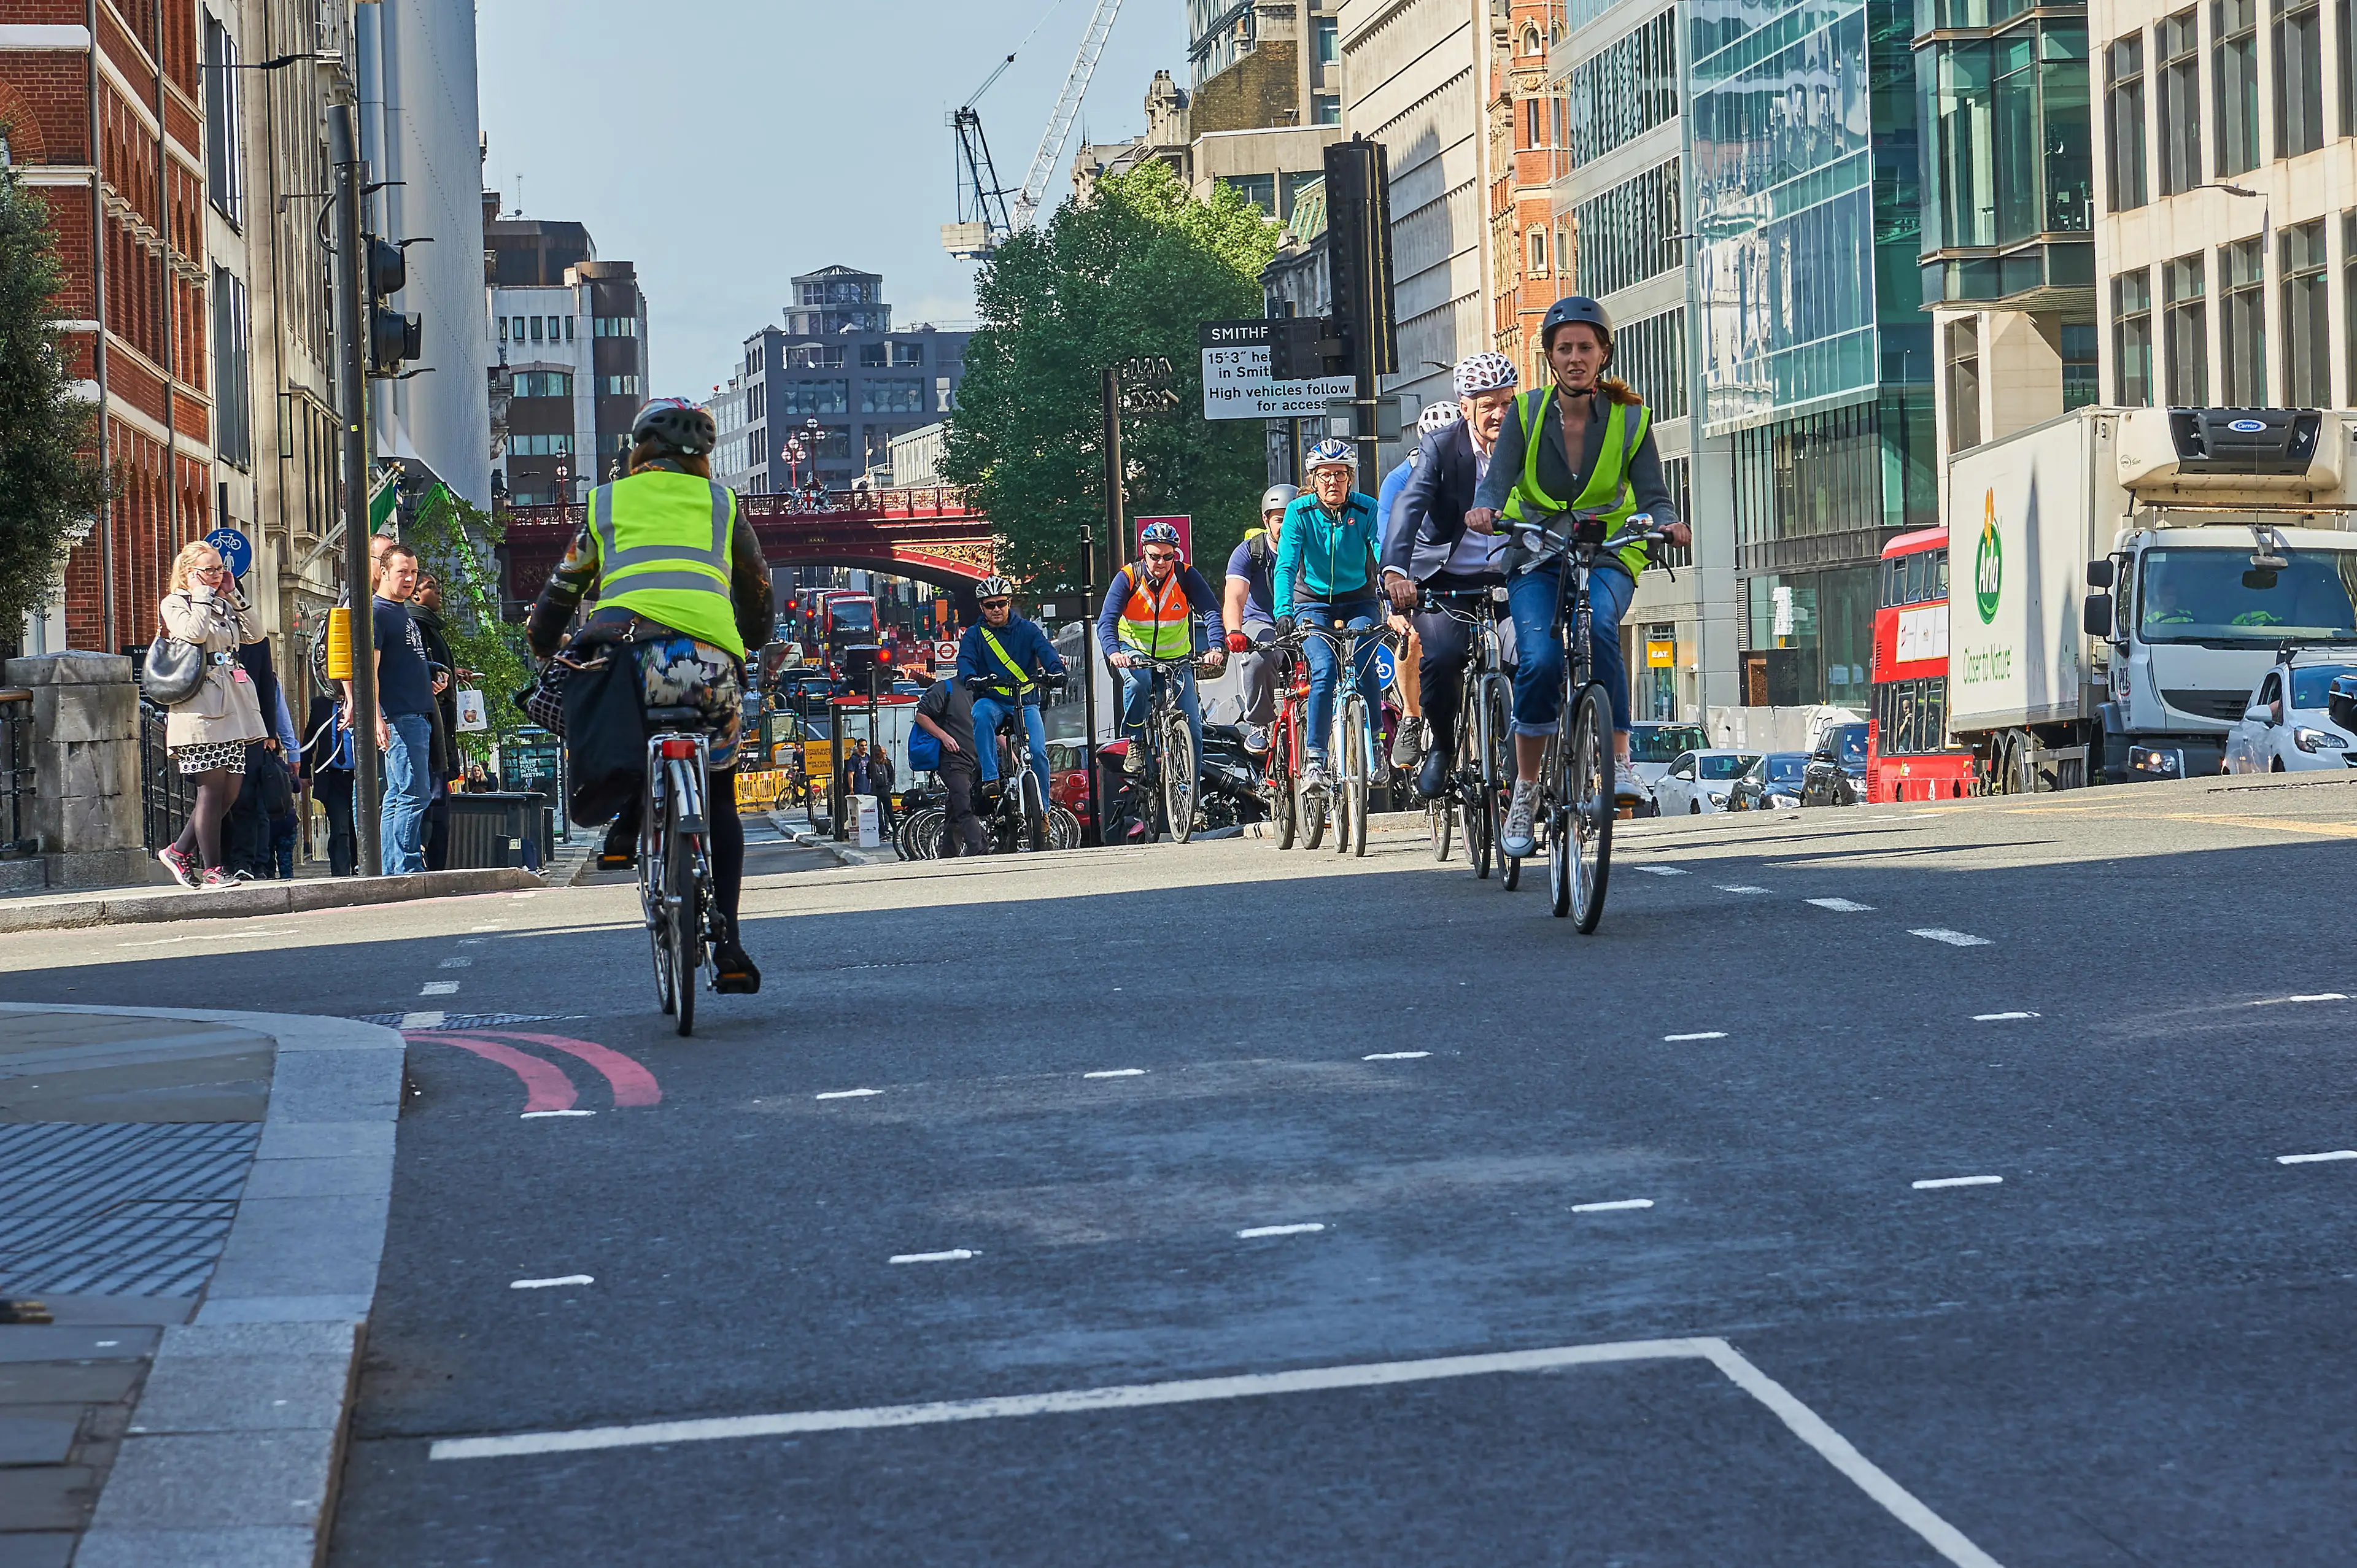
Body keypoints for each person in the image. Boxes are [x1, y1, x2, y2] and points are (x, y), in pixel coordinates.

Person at [527, 396, 777, 993]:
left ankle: (627, 819)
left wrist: (543, 640)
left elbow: (562, 588)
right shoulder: (723, 504)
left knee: (625, 722)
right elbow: (758, 587)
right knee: (722, 796)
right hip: (710, 664)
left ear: (639, 449)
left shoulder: (606, 502)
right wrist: (749, 637)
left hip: (627, 659)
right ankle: (730, 943)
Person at [1466, 296, 1691, 859]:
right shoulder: (1525, 413)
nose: (1574, 357)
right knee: (1540, 659)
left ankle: (1620, 761)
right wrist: (1485, 508)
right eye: (1563, 348)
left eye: (1585, 347)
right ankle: (1525, 789)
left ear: (1603, 354)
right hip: (1537, 553)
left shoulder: (1631, 419)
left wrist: (1668, 524)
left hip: (1607, 552)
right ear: (1549, 356)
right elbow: (1497, 481)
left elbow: (1655, 495)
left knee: (1601, 628)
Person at [1384, 352, 1523, 800]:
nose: (1500, 413)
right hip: (1447, 579)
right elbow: (1409, 505)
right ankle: (1443, 747)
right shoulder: (1442, 447)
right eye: (1488, 405)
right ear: (1465, 408)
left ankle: (1524, 756)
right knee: (1443, 657)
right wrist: (1395, 572)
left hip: (1513, 575)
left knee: (1535, 655)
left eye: (1507, 402)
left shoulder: (1532, 443)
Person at [155, 542, 269, 890]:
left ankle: (178, 851)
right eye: (210, 569)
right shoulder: (175, 603)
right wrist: (202, 595)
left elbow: (256, 635)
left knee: (230, 792)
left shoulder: (222, 602)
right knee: (211, 791)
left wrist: (234, 597)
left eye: (220, 568)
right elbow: (195, 633)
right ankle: (213, 869)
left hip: (233, 705)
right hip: (200, 709)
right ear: (190, 573)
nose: (218, 574)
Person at [1273, 441, 1384, 798]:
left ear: (1350, 477)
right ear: (1314, 479)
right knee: (1323, 669)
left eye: (1340, 474)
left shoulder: (1366, 508)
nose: (1333, 481)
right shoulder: (1299, 512)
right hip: (1313, 603)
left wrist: (1393, 592)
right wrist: (1283, 611)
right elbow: (1286, 566)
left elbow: (1381, 552)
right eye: (1325, 476)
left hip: (1359, 601)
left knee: (1365, 664)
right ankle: (1315, 761)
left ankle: (1376, 743)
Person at [1375, 403, 1463, 773]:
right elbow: (1389, 538)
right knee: (1413, 637)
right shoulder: (1400, 479)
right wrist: (1395, 591)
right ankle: (1412, 717)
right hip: (1416, 568)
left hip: (1465, 566)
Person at [1097, 522, 1225, 779]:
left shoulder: (1186, 576)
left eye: (1168, 557)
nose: (1161, 563)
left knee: (1193, 727)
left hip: (1177, 658)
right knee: (1138, 685)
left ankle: (1190, 792)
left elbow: (1211, 611)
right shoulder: (1128, 577)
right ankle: (1135, 740)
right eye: (1155, 556)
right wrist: (1114, 652)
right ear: (1144, 552)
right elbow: (1107, 621)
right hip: (1135, 651)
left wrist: (1216, 646)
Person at [346, 543, 438, 875]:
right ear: (383, 572)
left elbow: (402, 662)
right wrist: (376, 717)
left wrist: (433, 675)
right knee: (414, 792)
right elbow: (367, 672)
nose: (409, 579)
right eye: (402, 572)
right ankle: (405, 865)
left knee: (398, 794)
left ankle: (390, 866)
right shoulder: (377, 612)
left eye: (414, 572)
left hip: (415, 712)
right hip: (400, 716)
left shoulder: (401, 611)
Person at [958, 576, 1067, 803]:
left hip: (1025, 701)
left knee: (1038, 752)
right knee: (981, 713)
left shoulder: (1028, 630)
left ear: (1009, 603)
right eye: (990, 605)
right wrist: (970, 677)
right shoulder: (974, 635)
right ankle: (991, 778)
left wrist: (1056, 671)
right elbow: (966, 660)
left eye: (1001, 603)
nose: (996, 609)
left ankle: (1044, 810)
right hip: (992, 700)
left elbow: (1045, 651)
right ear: (982, 607)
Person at [1221, 485, 1296, 754]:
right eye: (1280, 519)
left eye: (1293, 518)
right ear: (1266, 520)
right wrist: (1234, 631)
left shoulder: (1314, 548)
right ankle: (1260, 723)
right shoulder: (1249, 552)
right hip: (1263, 622)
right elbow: (1234, 599)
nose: (1287, 526)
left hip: (1305, 621)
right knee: (1259, 658)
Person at [411, 573, 462, 870]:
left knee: (438, 805)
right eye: (431, 586)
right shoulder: (415, 624)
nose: (438, 591)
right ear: (415, 595)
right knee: (429, 805)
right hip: (429, 727)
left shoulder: (429, 625)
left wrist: (453, 674)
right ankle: (425, 864)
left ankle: (435, 866)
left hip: (439, 727)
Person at [913, 671, 988, 857]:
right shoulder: (945, 688)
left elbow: (992, 728)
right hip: (952, 761)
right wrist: (944, 736)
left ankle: (948, 856)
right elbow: (921, 716)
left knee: (955, 809)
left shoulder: (983, 691)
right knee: (966, 804)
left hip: (975, 762)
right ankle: (980, 850)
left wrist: (1013, 755)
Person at [303, 692, 356, 875]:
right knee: (340, 827)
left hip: (359, 778)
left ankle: (359, 868)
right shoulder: (320, 704)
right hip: (332, 777)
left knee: (357, 826)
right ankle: (341, 874)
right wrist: (304, 770)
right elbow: (310, 737)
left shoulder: (363, 700)